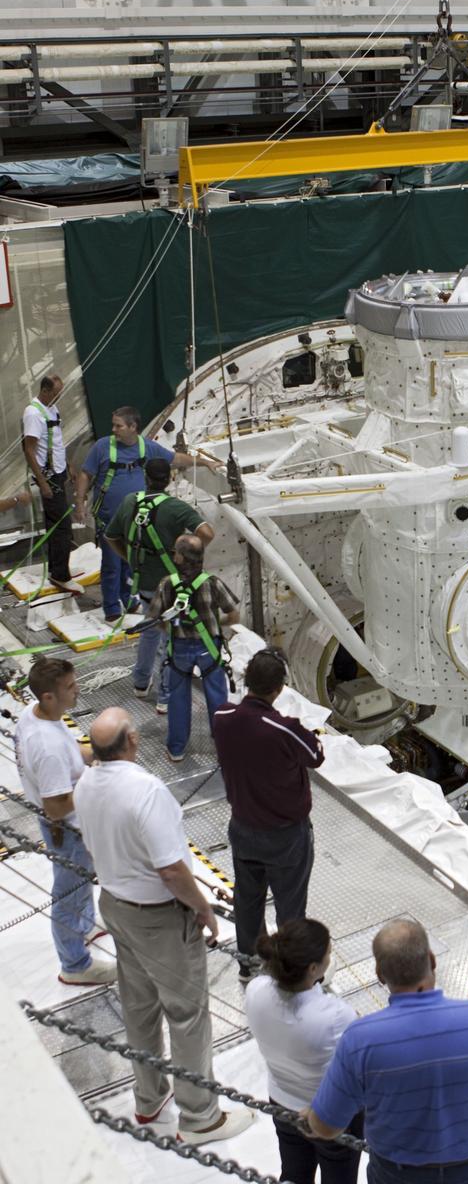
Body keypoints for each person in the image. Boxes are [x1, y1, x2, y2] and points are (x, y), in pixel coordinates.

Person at [74, 706, 254, 1145]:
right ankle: (200, 1118)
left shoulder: (86, 784)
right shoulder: (146, 791)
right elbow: (172, 871)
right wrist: (204, 909)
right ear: (132, 741)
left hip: (116, 905)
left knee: (139, 1007)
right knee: (187, 1014)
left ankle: (148, 1097)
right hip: (158, 919)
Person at [307, 918, 468, 1184]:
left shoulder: (360, 1039)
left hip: (397, 1175)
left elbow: (326, 1127)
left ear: (379, 973)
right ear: (432, 960)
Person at [213, 648, 324, 980]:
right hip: (286, 835)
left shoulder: (222, 718)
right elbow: (315, 755)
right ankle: (292, 968)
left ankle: (248, 963)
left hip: (243, 827)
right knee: (290, 904)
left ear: (248, 682)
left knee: (248, 900)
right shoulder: (282, 728)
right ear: (279, 688)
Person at [14, 657, 116, 986]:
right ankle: (74, 964)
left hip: (72, 826)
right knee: (68, 893)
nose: (78, 691)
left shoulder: (36, 715)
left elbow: (69, 749)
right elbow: (56, 807)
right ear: (48, 696)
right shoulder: (47, 748)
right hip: (67, 828)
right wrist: (93, 783)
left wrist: (96, 754)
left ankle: (84, 925)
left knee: (80, 882)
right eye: (70, 688)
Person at [75, 407, 221, 622]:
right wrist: (79, 502)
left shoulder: (147, 447)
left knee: (131, 563)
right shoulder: (103, 447)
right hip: (110, 519)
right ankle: (112, 609)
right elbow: (86, 474)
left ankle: (129, 598)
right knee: (112, 565)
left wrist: (205, 462)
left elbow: (177, 459)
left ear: (133, 427)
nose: (114, 430)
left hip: (137, 522)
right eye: (114, 425)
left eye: (119, 426)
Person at [245, 919, 362, 1184]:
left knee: (294, 1171)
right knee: (339, 1174)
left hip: (281, 1098)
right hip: (328, 1113)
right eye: (328, 955)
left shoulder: (256, 990)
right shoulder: (335, 1015)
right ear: (312, 968)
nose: (330, 958)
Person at [104, 459, 214, 712]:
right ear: (171, 477)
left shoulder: (130, 501)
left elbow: (111, 536)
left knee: (149, 631)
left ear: (146, 477)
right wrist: (189, 555)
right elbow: (207, 533)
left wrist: (130, 558)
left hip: (142, 582)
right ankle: (165, 696)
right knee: (170, 640)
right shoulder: (176, 508)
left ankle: (141, 684)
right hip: (170, 586)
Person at [147, 533, 239, 762]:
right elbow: (234, 616)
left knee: (178, 698)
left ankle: (176, 748)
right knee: (217, 698)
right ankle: (225, 746)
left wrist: (173, 630)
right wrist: (216, 625)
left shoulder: (167, 584)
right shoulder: (212, 583)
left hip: (179, 649)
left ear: (178, 558)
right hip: (209, 649)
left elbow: (156, 619)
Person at [22, 373, 82, 595]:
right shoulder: (33, 414)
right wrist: (43, 483)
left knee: (55, 523)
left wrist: (68, 465)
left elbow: (55, 439)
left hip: (58, 470)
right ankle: (60, 575)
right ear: (46, 390)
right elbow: (29, 450)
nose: (59, 397)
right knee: (61, 526)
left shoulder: (52, 409)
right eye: (57, 393)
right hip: (48, 476)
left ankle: (59, 566)